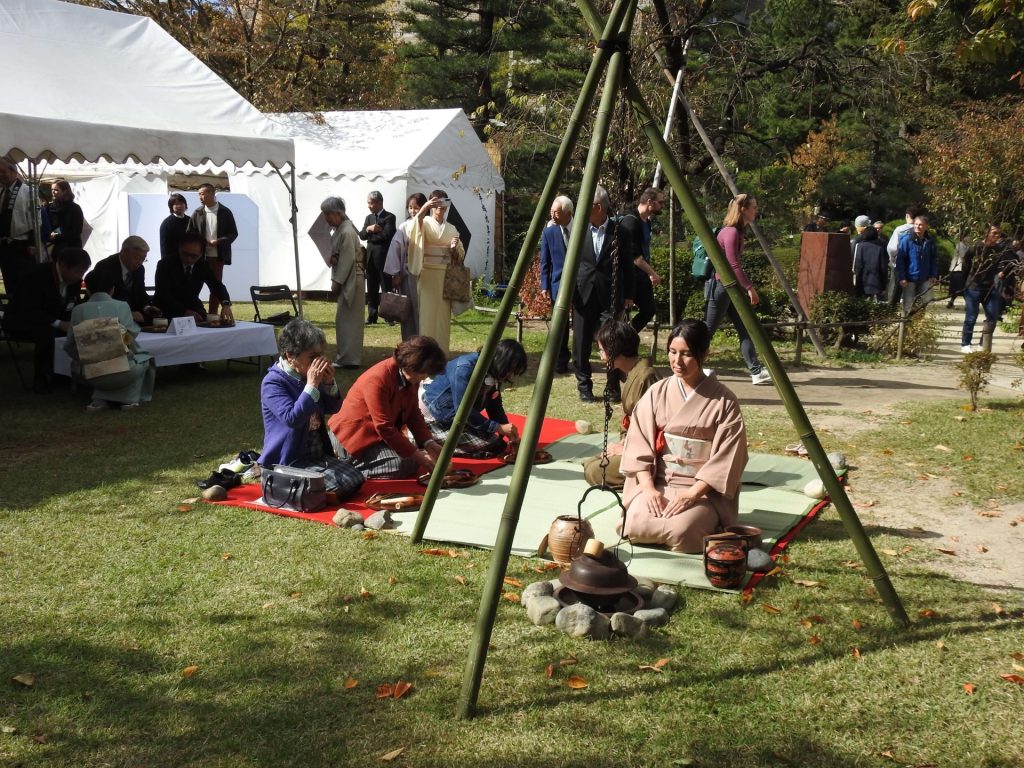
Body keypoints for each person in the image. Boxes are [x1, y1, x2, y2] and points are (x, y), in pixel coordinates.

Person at [618, 319, 748, 553]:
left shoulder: (724, 401)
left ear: (704, 353)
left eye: (686, 354)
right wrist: (648, 489)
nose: (677, 361)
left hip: (703, 490)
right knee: (634, 524)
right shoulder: (657, 392)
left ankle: (709, 520)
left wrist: (692, 494)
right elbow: (638, 444)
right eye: (672, 352)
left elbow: (729, 457)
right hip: (658, 481)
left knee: (682, 531)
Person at [260, 318, 365, 500]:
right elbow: (292, 418)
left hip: (316, 455)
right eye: (312, 357)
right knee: (341, 483)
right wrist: (312, 385)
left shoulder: (307, 375)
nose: (319, 362)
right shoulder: (273, 382)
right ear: (290, 356)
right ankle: (310, 490)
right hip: (290, 458)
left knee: (356, 478)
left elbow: (333, 408)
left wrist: (328, 384)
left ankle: (317, 491)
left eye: (321, 355)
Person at [328, 336, 447, 479]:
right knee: (403, 464)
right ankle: (347, 469)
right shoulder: (378, 379)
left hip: (377, 437)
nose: (425, 377)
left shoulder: (411, 377)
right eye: (423, 373)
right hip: (352, 438)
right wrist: (418, 456)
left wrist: (429, 442)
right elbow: (384, 426)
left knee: (412, 459)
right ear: (410, 366)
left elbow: (413, 413)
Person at [572, 185, 635, 403]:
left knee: (611, 341)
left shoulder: (620, 232)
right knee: (581, 343)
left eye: (585, 204)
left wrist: (629, 294)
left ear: (598, 207)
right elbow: (570, 263)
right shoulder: (578, 230)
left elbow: (628, 265)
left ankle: (612, 385)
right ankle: (584, 386)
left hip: (610, 295)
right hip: (583, 294)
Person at [703, 193, 772, 385]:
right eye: (754, 207)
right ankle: (689, 363)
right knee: (707, 330)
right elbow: (733, 265)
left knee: (745, 327)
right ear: (743, 209)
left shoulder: (737, 232)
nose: (756, 211)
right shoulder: (731, 232)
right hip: (721, 287)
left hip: (729, 288)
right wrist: (750, 288)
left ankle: (756, 371)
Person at [582, 320, 660, 489]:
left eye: (602, 350)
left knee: (594, 471)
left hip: (645, 454)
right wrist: (623, 443)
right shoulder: (634, 373)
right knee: (589, 463)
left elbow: (651, 428)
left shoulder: (646, 376)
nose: (601, 356)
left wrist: (625, 449)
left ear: (615, 350)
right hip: (633, 443)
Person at [64, 269, 156, 411]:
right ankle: (128, 399)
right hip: (124, 371)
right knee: (144, 359)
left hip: (91, 373)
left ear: (87, 289)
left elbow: (70, 344)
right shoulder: (122, 306)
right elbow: (129, 338)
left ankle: (100, 398)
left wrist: (86, 357)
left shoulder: (78, 310)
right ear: (113, 289)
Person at [2, 247, 90, 393]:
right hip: (22, 321)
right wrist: (59, 323)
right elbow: (27, 308)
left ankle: (66, 375)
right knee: (48, 333)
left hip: (53, 321)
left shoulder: (75, 281)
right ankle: (42, 378)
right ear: (63, 265)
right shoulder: (35, 275)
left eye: (83, 272)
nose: (80, 276)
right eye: (78, 271)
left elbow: (75, 303)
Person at [421, 338, 527, 457]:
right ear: (502, 362)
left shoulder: (493, 370)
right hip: (438, 415)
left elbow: (494, 405)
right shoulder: (465, 369)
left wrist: (507, 431)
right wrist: (498, 427)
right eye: (510, 371)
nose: (510, 376)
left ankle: (432, 439)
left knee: (496, 442)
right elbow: (463, 411)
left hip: (458, 417)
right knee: (494, 447)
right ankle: (426, 438)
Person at [407, 189, 464, 354]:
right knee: (427, 315)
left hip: (445, 276)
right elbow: (412, 231)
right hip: (427, 273)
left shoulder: (452, 228)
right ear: (431, 204)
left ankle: (441, 353)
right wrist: (424, 208)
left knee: (442, 318)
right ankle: (425, 353)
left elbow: (460, 255)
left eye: (443, 202)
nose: (440, 206)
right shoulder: (423, 222)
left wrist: (454, 248)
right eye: (436, 203)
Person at [321, 196, 364, 369]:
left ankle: (349, 358)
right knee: (345, 319)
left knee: (349, 320)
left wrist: (336, 282)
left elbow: (347, 259)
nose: (326, 218)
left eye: (328, 214)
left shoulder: (346, 231)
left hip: (351, 278)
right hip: (349, 277)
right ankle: (347, 356)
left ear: (338, 213)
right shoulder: (342, 229)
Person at [153, 231, 233, 322]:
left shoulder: (203, 265)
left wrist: (225, 303)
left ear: (201, 253)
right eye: (184, 254)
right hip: (166, 310)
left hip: (193, 307)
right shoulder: (165, 264)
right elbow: (163, 294)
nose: (189, 259)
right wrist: (184, 312)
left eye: (194, 256)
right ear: (179, 248)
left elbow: (216, 285)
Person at [960, 225, 1015, 353]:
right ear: (987, 233)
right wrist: (965, 286)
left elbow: (1012, 262)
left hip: (990, 288)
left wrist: (1002, 272)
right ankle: (966, 344)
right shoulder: (975, 248)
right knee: (971, 317)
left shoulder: (999, 249)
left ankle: (983, 344)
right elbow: (965, 266)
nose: (997, 236)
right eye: (994, 233)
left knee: (993, 317)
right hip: (973, 287)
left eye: (999, 233)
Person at [186, 183, 238, 316]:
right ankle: (194, 312)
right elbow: (189, 233)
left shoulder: (225, 212)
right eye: (199, 194)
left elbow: (233, 233)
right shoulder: (197, 212)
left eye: (202, 194)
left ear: (211, 194)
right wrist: (202, 242)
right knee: (193, 286)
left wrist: (219, 241)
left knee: (215, 287)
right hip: (198, 257)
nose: (200, 197)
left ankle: (212, 315)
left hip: (217, 256)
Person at [620, 187, 666, 335]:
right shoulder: (630, 221)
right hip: (630, 275)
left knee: (649, 309)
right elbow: (635, 257)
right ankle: (621, 338)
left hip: (641, 274)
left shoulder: (646, 222)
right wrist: (653, 273)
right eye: (660, 202)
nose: (662, 206)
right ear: (650, 202)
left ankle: (628, 335)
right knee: (623, 311)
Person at [384, 192, 428, 340]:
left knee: (424, 310)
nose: (413, 211)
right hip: (408, 274)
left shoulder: (429, 224)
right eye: (410, 207)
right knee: (408, 309)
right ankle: (410, 341)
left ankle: (425, 341)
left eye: (416, 207)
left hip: (427, 273)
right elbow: (395, 248)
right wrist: (395, 273)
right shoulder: (404, 226)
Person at [89, 235, 161, 324]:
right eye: (137, 258)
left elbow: (140, 293)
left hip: (135, 318)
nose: (140, 263)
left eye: (143, 259)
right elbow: (102, 302)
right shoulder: (105, 267)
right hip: (112, 320)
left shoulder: (140, 269)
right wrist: (127, 313)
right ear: (125, 252)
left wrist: (147, 308)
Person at [539, 194, 575, 373]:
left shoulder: (583, 228)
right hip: (557, 284)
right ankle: (561, 360)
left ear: (568, 213)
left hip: (582, 283)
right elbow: (545, 261)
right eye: (551, 211)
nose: (552, 215)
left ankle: (579, 358)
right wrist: (544, 285)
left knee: (581, 323)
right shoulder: (549, 232)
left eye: (557, 212)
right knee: (560, 325)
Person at [360, 190, 397, 325]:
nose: (369, 206)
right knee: (371, 288)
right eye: (368, 203)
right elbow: (362, 235)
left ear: (379, 203)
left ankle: (389, 317)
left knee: (386, 288)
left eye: (371, 203)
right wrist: (369, 229)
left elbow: (387, 235)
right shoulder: (368, 218)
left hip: (383, 258)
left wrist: (373, 236)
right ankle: (372, 316)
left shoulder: (389, 217)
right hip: (370, 258)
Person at [0, 157, 37, 295]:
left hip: (22, 245)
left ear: (14, 172)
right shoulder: (2, 192)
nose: (0, 175)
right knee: (9, 282)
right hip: (5, 245)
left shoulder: (27, 191)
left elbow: (36, 220)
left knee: (23, 283)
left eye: (3, 171)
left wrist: (33, 243)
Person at [895, 214, 938, 316]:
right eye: (916, 224)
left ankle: (919, 323)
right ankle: (905, 324)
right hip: (910, 278)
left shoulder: (930, 241)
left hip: (925, 278)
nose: (917, 227)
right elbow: (900, 260)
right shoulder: (906, 240)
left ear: (926, 226)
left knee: (924, 304)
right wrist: (902, 277)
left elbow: (934, 259)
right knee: (908, 305)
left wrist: (933, 274)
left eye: (920, 225)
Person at [886, 206, 919, 305]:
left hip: (900, 264)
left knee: (895, 290)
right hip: (916, 265)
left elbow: (892, 248)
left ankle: (892, 310)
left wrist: (892, 260)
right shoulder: (921, 230)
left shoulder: (900, 230)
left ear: (907, 216)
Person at [47, 179, 85, 256]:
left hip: (72, 247)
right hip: (56, 248)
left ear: (65, 191)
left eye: (56, 190)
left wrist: (56, 232)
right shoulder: (49, 208)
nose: (53, 192)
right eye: (52, 189)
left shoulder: (75, 208)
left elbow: (75, 229)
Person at [852, 225, 888, 302]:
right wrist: (884, 284)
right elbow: (883, 268)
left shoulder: (860, 246)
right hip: (876, 281)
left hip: (861, 280)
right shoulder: (879, 248)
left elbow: (857, 265)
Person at [159, 193, 190, 261]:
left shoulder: (190, 220)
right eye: (176, 204)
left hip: (189, 259)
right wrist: (165, 263)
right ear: (171, 207)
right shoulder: (167, 224)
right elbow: (164, 247)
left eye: (181, 203)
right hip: (174, 260)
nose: (179, 206)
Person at [947, 232, 970, 309]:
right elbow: (963, 256)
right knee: (962, 286)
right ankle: (968, 304)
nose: (969, 238)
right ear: (963, 238)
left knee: (957, 287)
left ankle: (951, 302)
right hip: (958, 269)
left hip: (961, 269)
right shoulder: (960, 245)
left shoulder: (966, 246)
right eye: (968, 236)